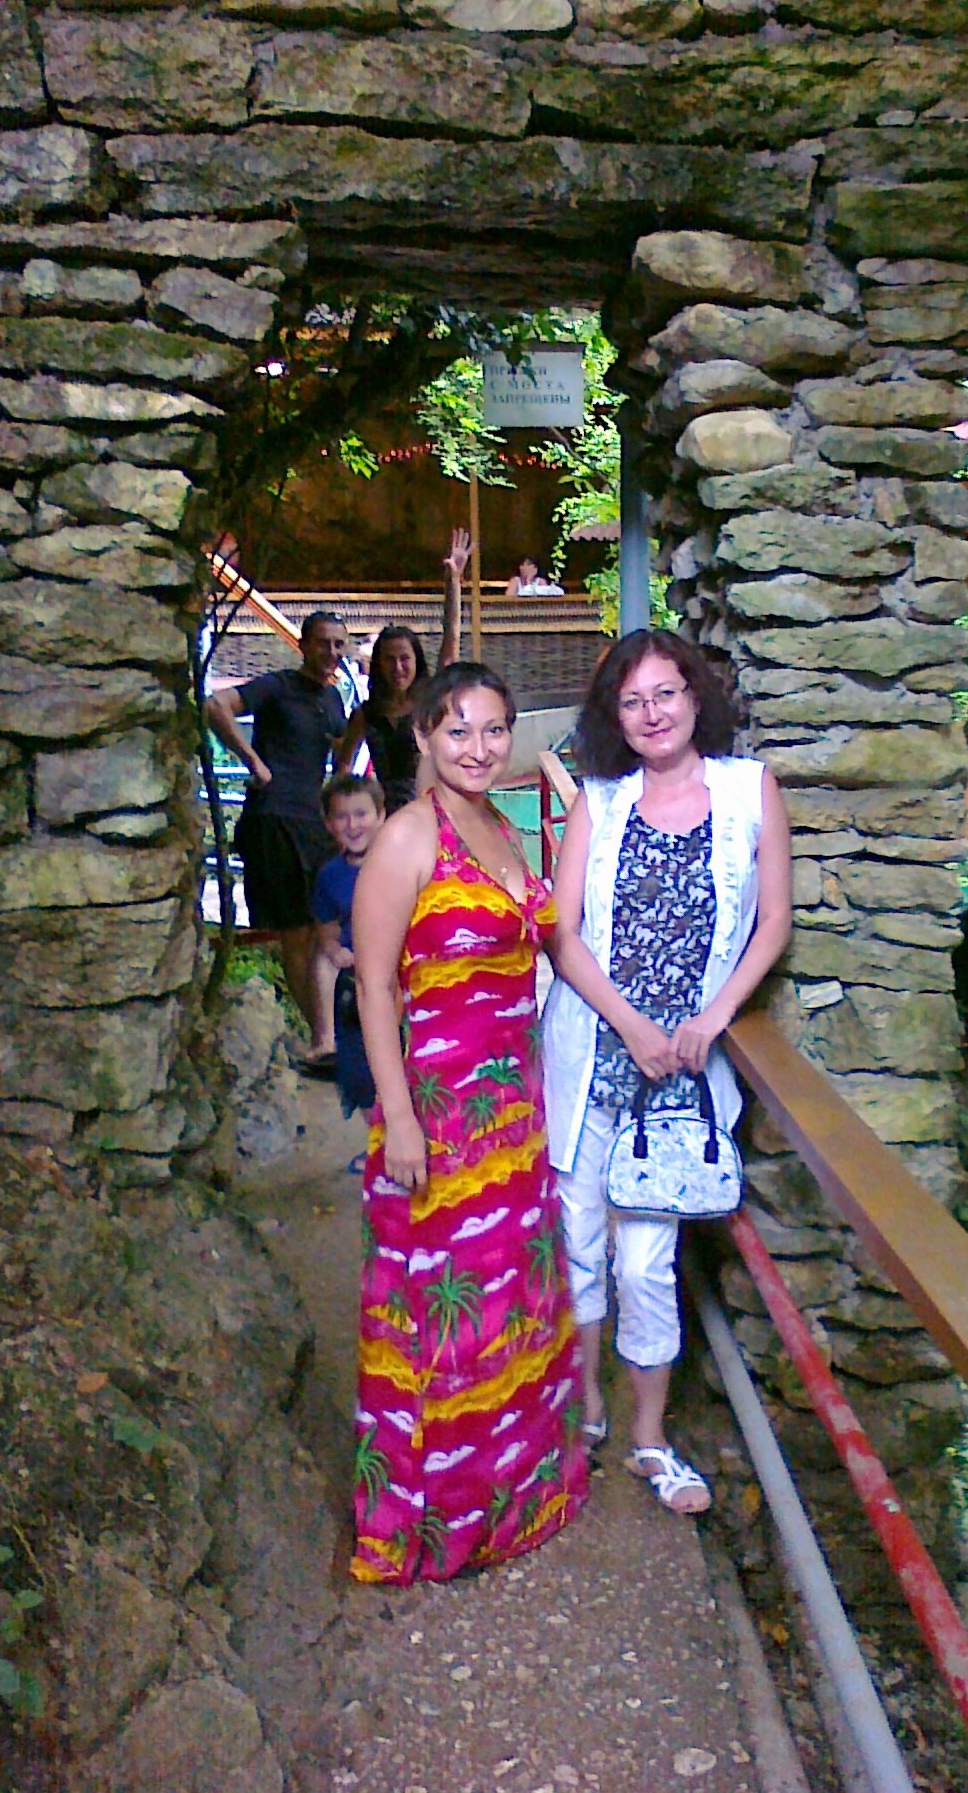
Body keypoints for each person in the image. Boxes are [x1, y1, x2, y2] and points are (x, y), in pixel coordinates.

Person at [348, 661, 589, 1583]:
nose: (479, 749)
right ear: (422, 736)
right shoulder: (407, 837)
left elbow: (550, 935)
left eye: (493, 730)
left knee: (508, 1308)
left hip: (514, 1116)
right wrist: (400, 1119)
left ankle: (516, 1499)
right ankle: (434, 1520)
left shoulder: (501, 827)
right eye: (458, 731)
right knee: (442, 1323)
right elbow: (373, 987)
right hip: (438, 1118)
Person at [543, 629, 792, 1515]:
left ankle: (649, 1438)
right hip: (594, 1050)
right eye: (632, 701)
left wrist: (713, 1016)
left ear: (694, 697)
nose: (652, 714)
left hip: (683, 1074)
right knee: (577, 1241)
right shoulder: (600, 801)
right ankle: (585, 1410)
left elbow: (772, 921)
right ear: (615, 717)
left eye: (665, 694)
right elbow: (562, 932)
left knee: (645, 1261)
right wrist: (632, 1025)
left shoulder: (749, 789)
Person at [209, 611, 351, 1070]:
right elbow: (216, 706)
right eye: (324, 642)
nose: (331, 652)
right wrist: (254, 763)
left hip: (314, 824)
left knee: (324, 931)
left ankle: (331, 1037)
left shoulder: (332, 699)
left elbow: (342, 752)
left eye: (339, 644)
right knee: (295, 932)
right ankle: (322, 1042)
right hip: (274, 819)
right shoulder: (278, 686)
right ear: (303, 645)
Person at [339, 528, 471, 813]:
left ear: (416, 661)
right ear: (378, 664)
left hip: (432, 813)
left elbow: (451, 640)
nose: (398, 667)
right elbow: (344, 766)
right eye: (389, 659)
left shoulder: (430, 702)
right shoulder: (366, 715)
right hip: (388, 817)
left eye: (404, 658)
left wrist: (453, 582)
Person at [312, 773, 389, 1167]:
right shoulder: (330, 876)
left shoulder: (397, 865)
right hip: (354, 983)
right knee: (358, 1067)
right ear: (329, 824)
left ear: (381, 816)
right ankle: (380, 1142)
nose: (353, 825)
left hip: (397, 981)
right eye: (342, 817)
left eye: (361, 814)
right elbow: (326, 929)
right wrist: (334, 950)